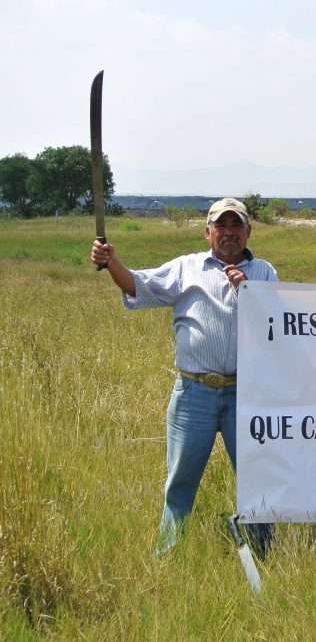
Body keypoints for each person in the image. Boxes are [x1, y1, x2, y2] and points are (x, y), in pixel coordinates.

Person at [89, 198, 276, 556]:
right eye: (221, 226)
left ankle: (263, 552)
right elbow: (137, 286)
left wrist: (249, 292)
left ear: (249, 232)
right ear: (208, 232)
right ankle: (168, 554)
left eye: (236, 226)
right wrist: (111, 262)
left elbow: (277, 328)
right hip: (194, 394)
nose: (229, 233)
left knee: (258, 481)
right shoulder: (186, 268)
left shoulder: (265, 273)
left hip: (247, 395)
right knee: (180, 482)